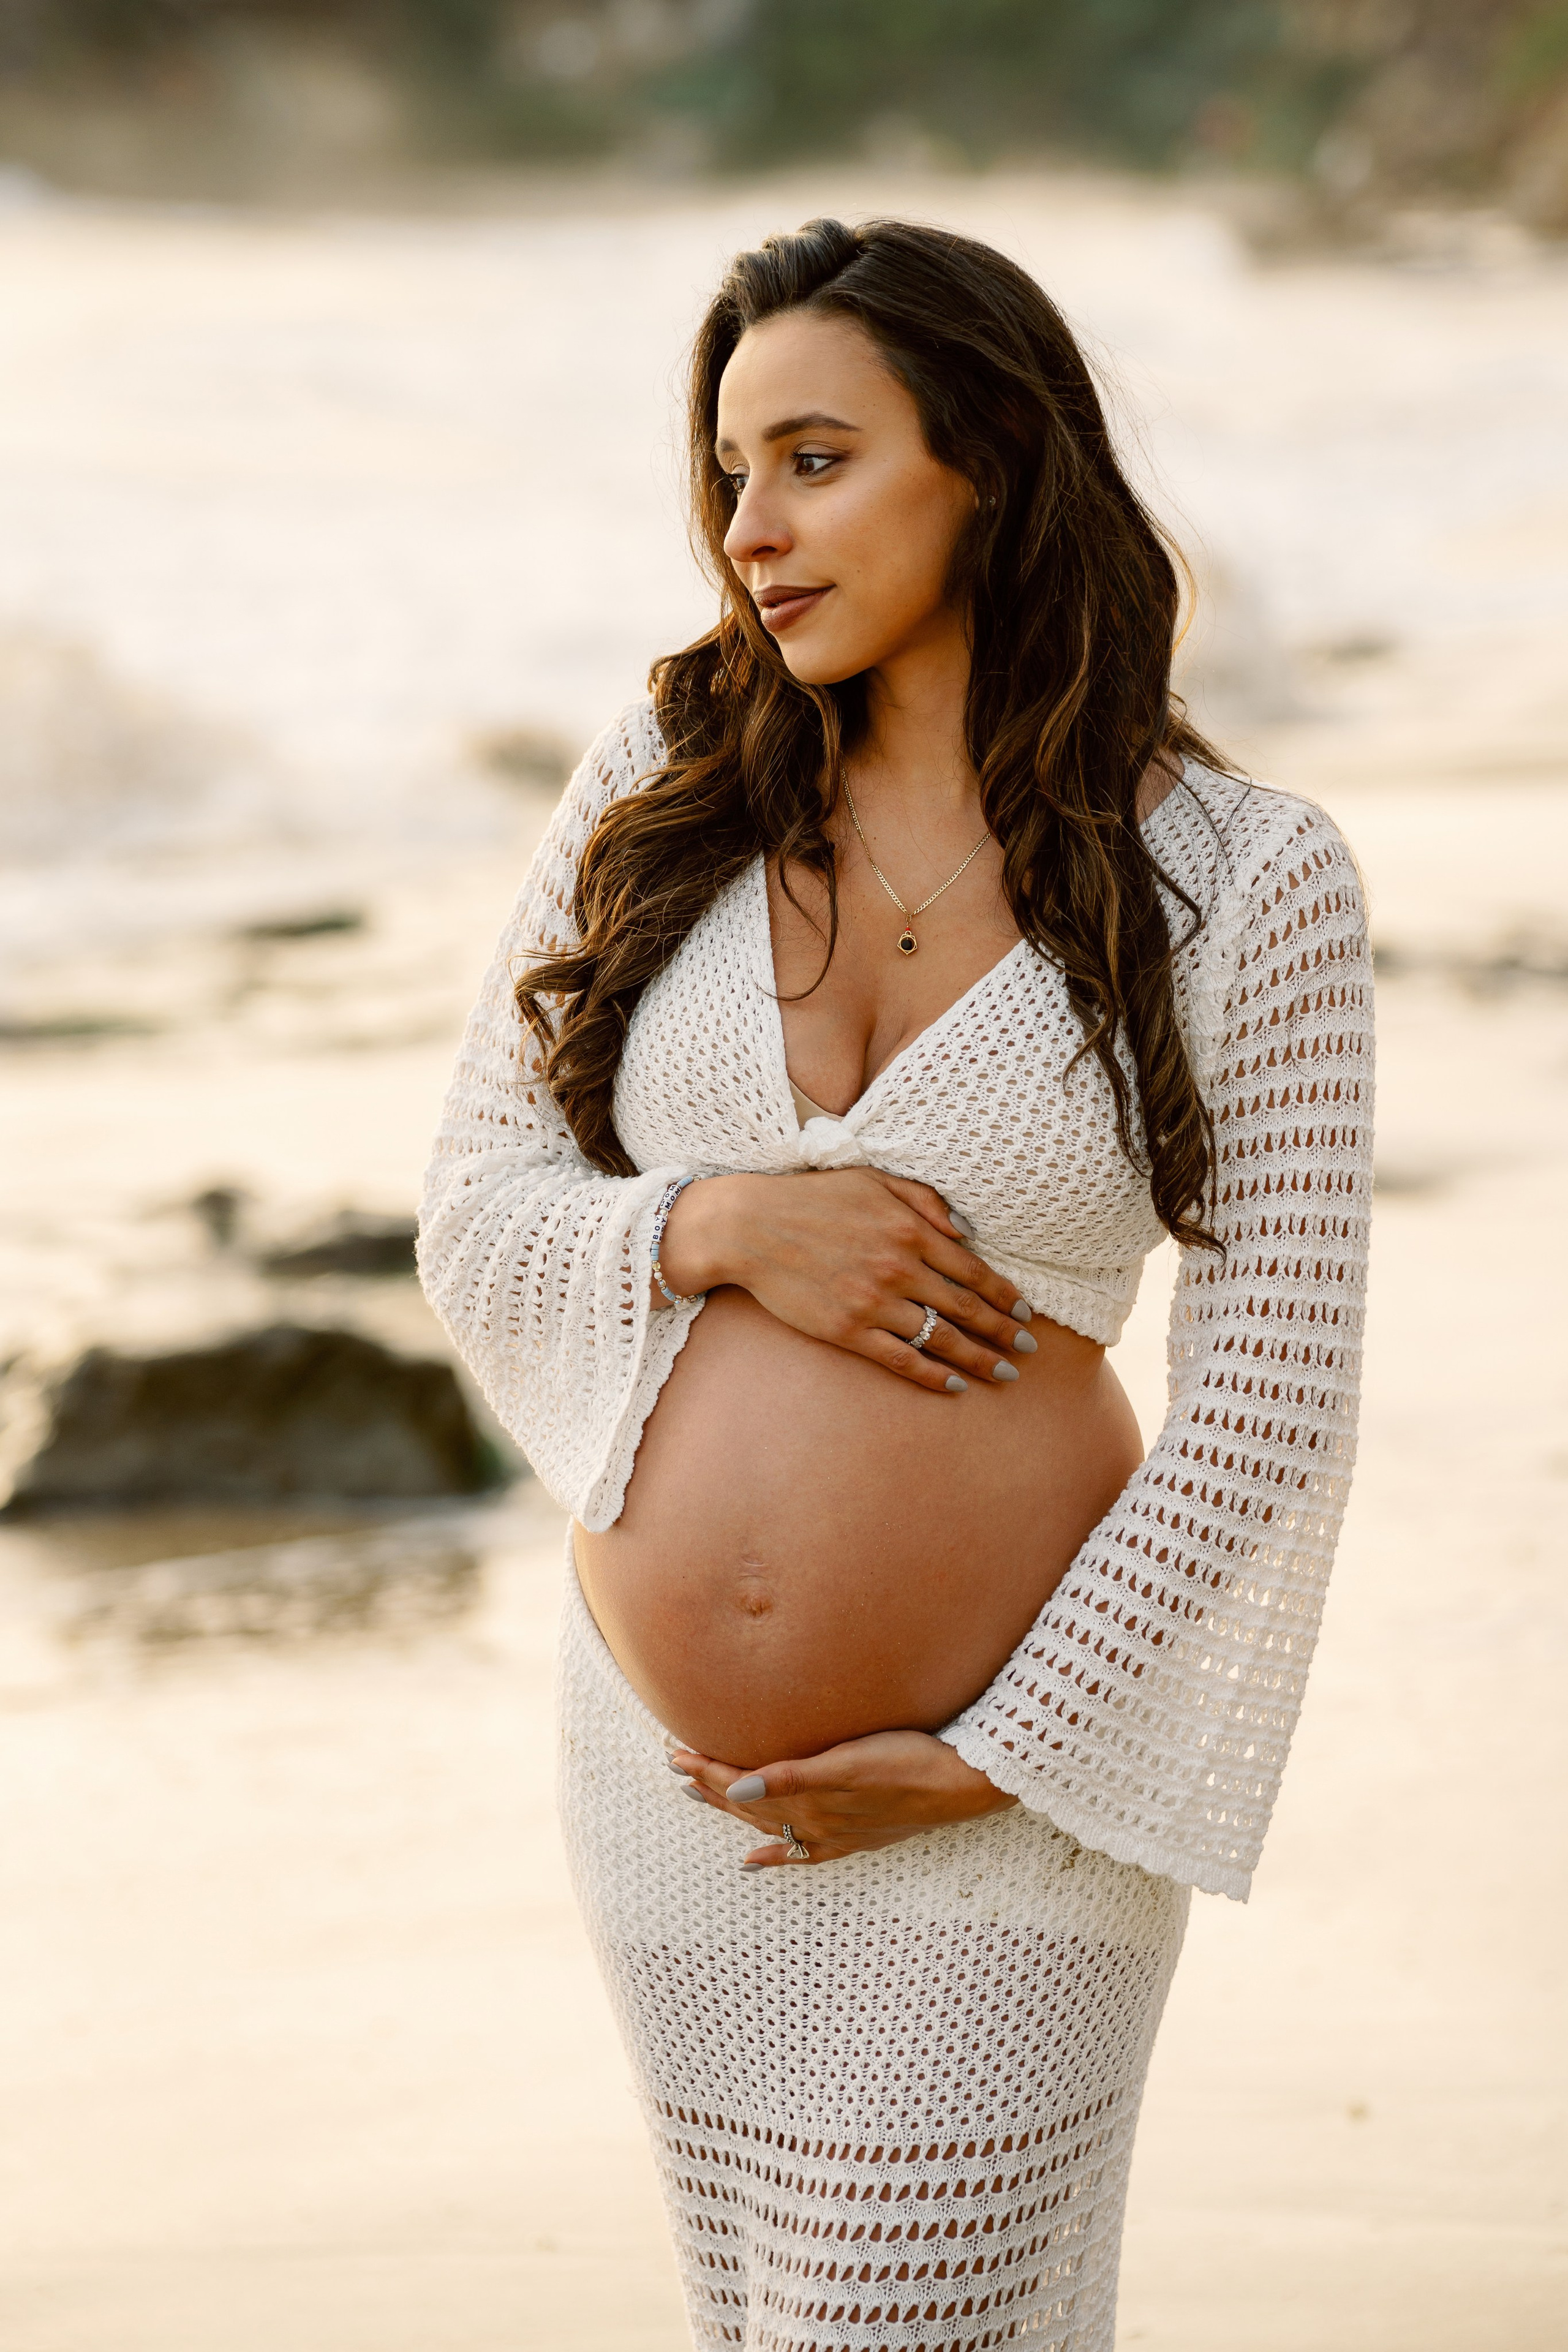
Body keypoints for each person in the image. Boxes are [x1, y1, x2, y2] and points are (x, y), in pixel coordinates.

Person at [419, 216, 1373, 2352]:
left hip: (1017, 1804)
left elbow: (1275, 1391)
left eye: (818, 460)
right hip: (673, 1805)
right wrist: (713, 1222)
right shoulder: (666, 782)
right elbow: (475, 1208)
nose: (750, 529)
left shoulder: (1244, 876)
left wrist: (1010, 1750)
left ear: (993, 459)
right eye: (730, 472)